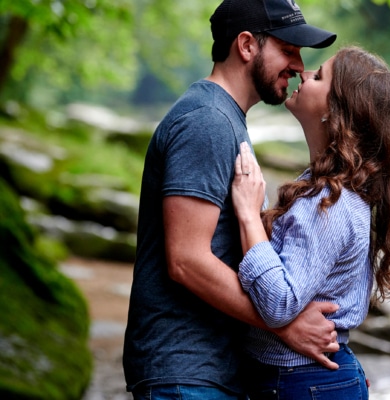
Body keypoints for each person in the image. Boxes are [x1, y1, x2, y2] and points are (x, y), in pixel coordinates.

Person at [123, 0, 340, 399]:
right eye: (288, 49)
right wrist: (285, 324)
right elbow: (186, 260)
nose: (297, 65)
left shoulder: (223, 117)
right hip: (184, 373)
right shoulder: (207, 121)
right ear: (246, 45)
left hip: (206, 372)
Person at [231, 45, 390, 399]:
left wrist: (249, 216)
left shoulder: (331, 203)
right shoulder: (324, 191)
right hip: (309, 378)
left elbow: (280, 304)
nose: (303, 74)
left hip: (301, 380)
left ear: (336, 111)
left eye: (319, 76)